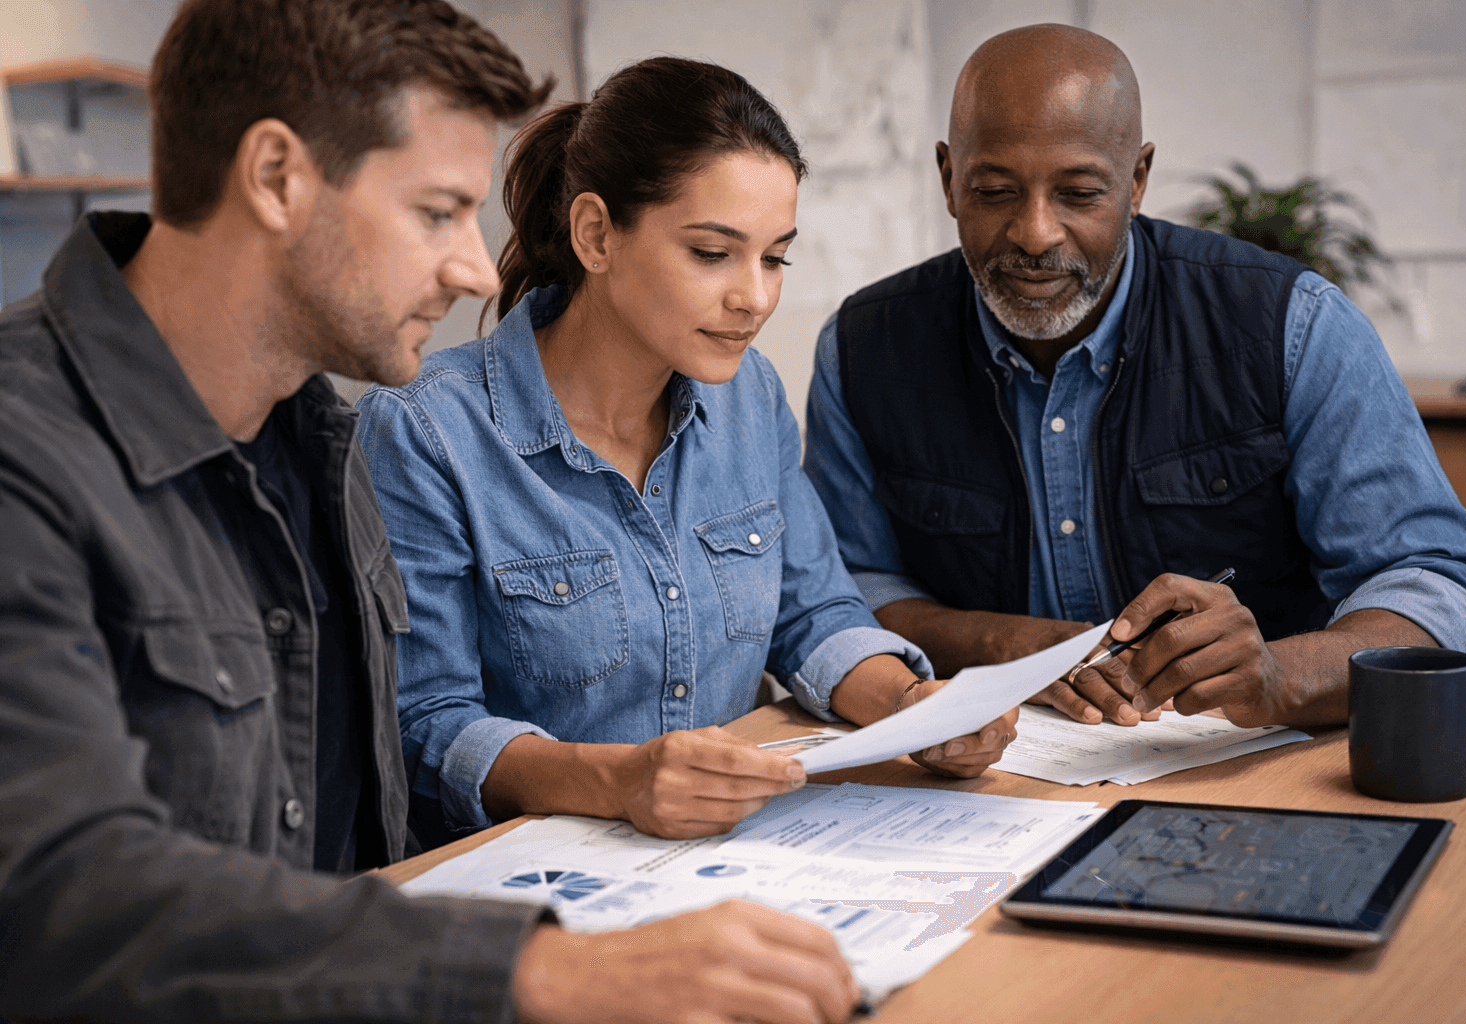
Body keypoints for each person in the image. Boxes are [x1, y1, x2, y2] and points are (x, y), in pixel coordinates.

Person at [0, 3, 864, 1022]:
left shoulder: (316, 448)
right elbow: (63, 895)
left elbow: (357, 850)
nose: (476, 269)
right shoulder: (30, 454)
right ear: (276, 176)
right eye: (437, 212)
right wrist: (547, 970)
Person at [355, 56, 1018, 849]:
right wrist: (622, 784)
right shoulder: (425, 432)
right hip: (534, 884)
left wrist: (913, 707)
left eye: (775, 257)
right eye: (713, 253)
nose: (756, 297)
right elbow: (426, 726)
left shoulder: (750, 395)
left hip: (736, 857)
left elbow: (813, 612)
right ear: (596, 234)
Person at [803, 24, 1466, 731]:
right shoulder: (864, 348)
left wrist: (1281, 674)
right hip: (985, 783)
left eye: (1079, 194)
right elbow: (847, 589)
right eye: (994, 191)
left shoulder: (1293, 326)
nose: (1035, 233)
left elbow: (1443, 589)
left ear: (1137, 181)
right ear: (949, 179)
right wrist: (1010, 646)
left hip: (1260, 771)